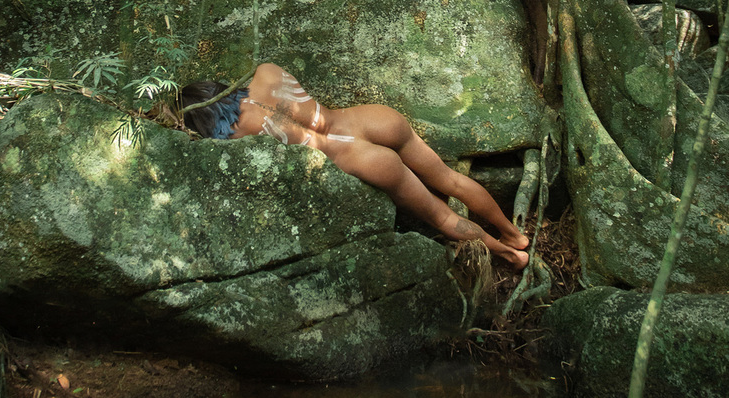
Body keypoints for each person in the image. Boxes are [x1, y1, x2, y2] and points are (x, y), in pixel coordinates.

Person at [179, 63, 529, 269]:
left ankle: (507, 254)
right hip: (371, 121)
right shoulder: (266, 72)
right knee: (450, 180)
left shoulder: (236, 140)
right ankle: (514, 233)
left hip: (359, 159)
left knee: (440, 217)